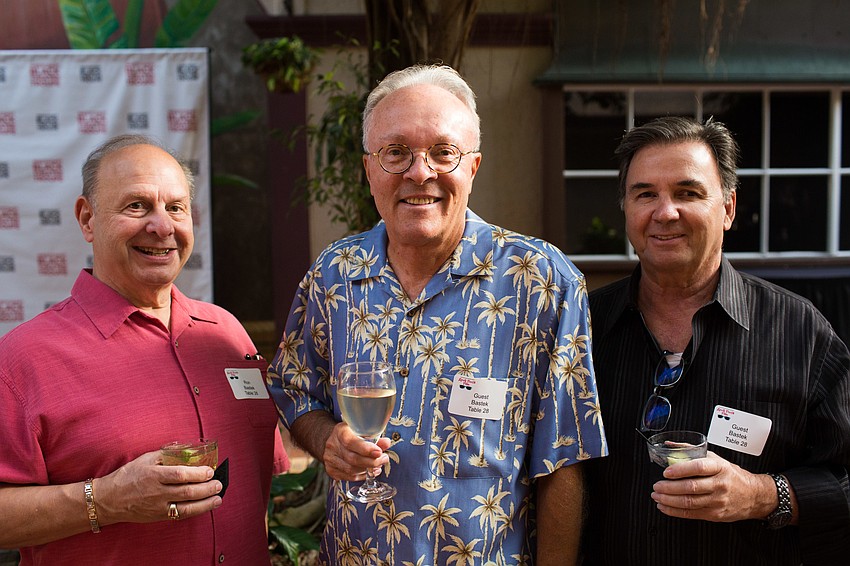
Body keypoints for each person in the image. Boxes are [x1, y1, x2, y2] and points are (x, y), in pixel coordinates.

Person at [268, 64, 607, 565]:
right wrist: (326, 441)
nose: (419, 172)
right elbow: (297, 388)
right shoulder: (335, 275)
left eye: (442, 153)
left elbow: (564, 456)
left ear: (472, 167)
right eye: (396, 152)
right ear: (369, 169)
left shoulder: (540, 281)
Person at [0, 134, 289, 565]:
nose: (162, 226)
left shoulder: (227, 334)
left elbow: (255, 486)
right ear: (87, 219)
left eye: (176, 207)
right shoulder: (23, 358)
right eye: (137, 206)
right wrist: (107, 499)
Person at [584, 116, 850, 565]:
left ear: (727, 208)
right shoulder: (581, 329)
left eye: (688, 193)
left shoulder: (800, 333)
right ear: (626, 209)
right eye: (645, 193)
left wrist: (763, 494)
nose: (665, 212)